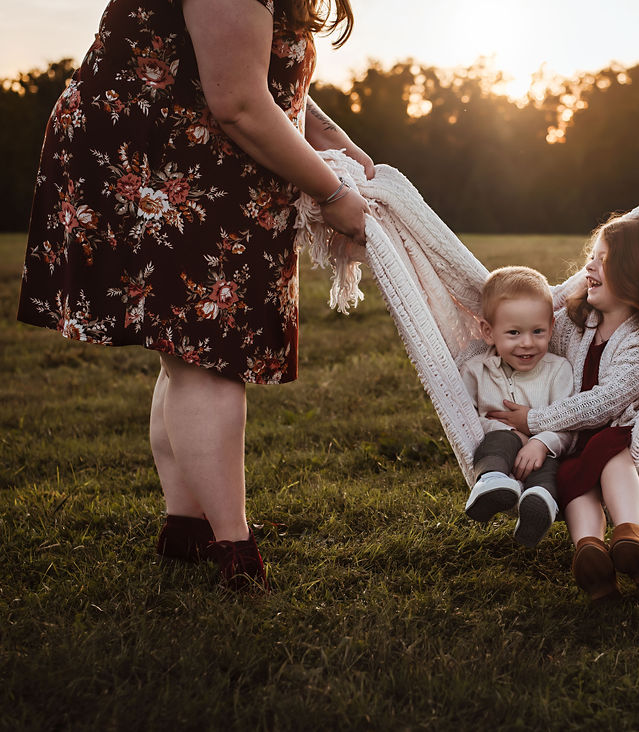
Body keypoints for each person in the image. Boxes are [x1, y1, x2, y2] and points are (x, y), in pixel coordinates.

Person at [17, 0, 375, 592]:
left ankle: (186, 528)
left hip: (193, 155)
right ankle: (234, 550)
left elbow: (253, 71)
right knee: (209, 359)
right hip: (160, 158)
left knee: (189, 352)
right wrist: (332, 194)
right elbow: (237, 100)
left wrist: (336, 143)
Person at [489, 218, 639, 600]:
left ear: (635, 274)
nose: (589, 268)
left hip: (616, 432)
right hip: (570, 441)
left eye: (603, 260)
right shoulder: (574, 323)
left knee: (613, 458)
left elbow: (606, 402)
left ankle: (629, 533)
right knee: (575, 485)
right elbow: (534, 320)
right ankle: (589, 551)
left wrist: (533, 420)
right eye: (590, 257)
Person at [461, 266, 575, 547]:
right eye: (513, 333)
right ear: (488, 332)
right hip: (497, 449)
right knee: (497, 441)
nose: (527, 343)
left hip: (541, 455)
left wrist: (540, 443)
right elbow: (465, 420)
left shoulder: (559, 370)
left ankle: (540, 505)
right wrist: (511, 432)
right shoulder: (475, 371)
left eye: (538, 331)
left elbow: (569, 426)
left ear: (551, 326)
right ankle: (492, 482)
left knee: (547, 470)